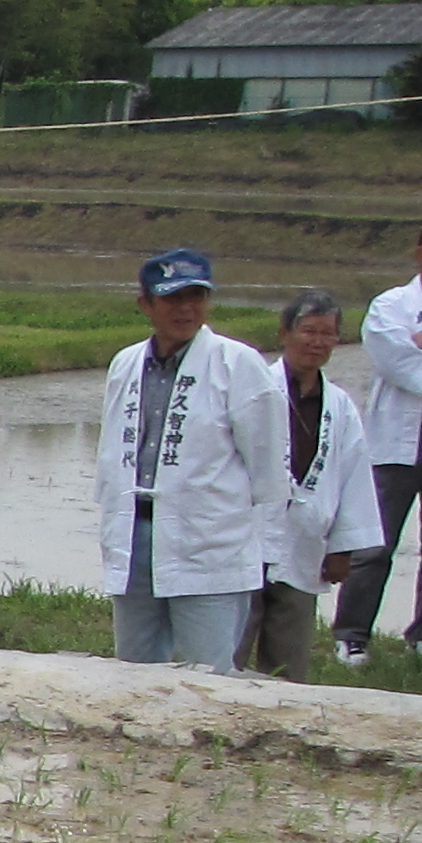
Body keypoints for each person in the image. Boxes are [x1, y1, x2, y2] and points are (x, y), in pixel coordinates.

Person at [95, 248, 280, 671]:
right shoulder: (125, 363)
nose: (186, 308)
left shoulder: (239, 365)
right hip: (136, 537)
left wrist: (265, 545)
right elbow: (110, 456)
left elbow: (268, 469)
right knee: (134, 671)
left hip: (209, 542)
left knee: (210, 674)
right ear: (146, 305)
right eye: (173, 299)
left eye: (195, 297)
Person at [339, 211, 422, 664]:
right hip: (398, 440)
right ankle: (352, 634)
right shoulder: (389, 305)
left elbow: (421, 352)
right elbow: (392, 358)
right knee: (376, 542)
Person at [249, 288, 385, 684]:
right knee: (230, 649)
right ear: (285, 334)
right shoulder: (255, 388)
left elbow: (354, 476)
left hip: (305, 541)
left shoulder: (340, 406)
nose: (318, 341)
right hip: (248, 534)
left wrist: (343, 548)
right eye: (309, 331)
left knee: (288, 659)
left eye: (328, 333)